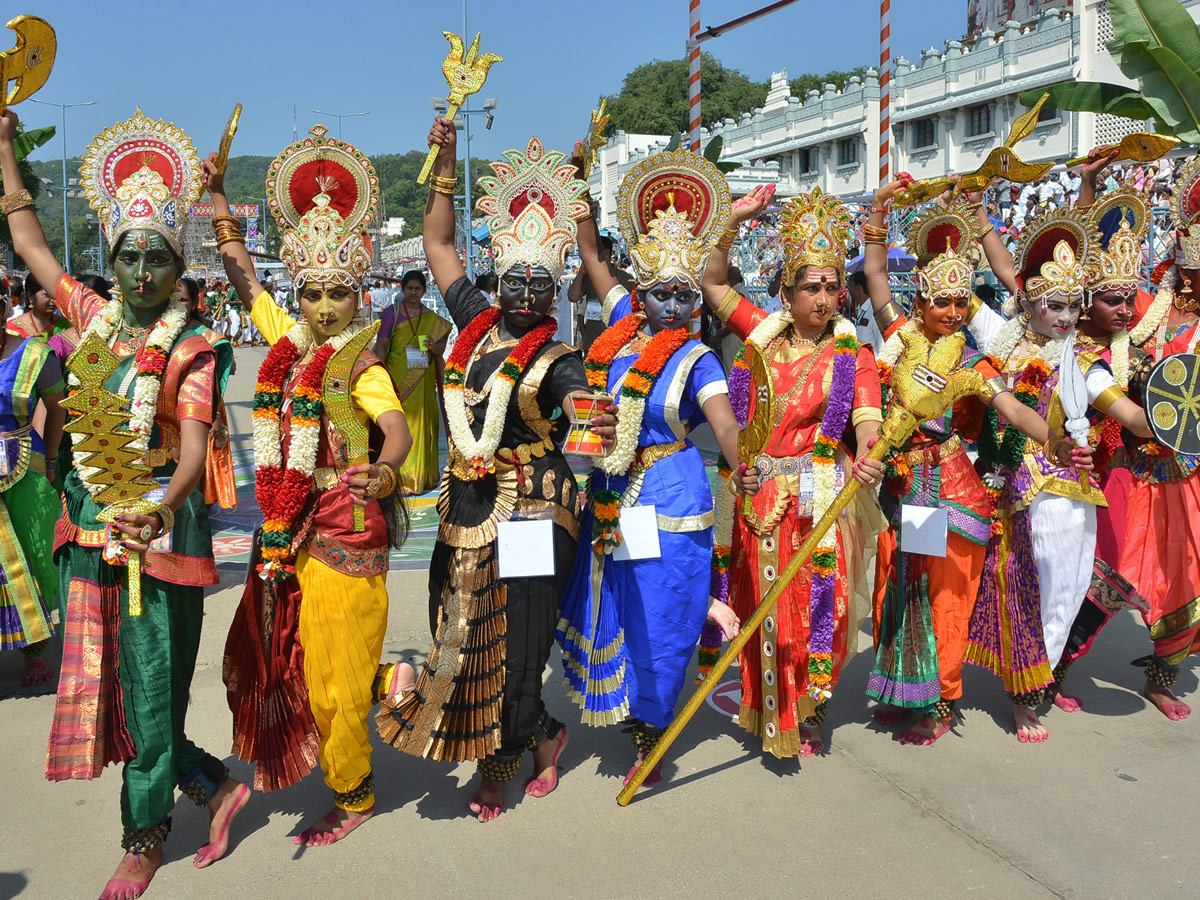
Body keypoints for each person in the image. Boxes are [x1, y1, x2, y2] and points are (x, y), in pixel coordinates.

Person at [0, 107, 246, 900]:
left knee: (147, 688)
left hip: (158, 538)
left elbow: (197, 451)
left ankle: (142, 841)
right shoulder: (90, 317)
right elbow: (33, 245)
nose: (142, 273)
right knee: (108, 684)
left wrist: (159, 509)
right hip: (87, 530)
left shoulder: (191, 348)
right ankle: (209, 781)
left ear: (179, 269)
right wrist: (5, 152)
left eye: (158, 259)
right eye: (129, 257)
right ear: (112, 261)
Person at [376, 119, 613, 823]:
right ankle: (543, 733)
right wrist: (444, 160)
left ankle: (500, 764)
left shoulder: (559, 353)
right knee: (461, 630)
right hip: (471, 502)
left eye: (542, 283)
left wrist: (586, 410)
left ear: (555, 290)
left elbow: (575, 391)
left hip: (539, 510)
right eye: (518, 279)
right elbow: (439, 243)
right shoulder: (474, 322)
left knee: (516, 647)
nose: (529, 293)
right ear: (499, 278)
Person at [213, 126, 412, 846]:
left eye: (338, 293)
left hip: (349, 529)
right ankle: (389, 681)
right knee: (298, 663)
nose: (326, 307)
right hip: (289, 530)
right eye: (313, 293)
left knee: (335, 682)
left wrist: (385, 468)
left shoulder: (361, 364)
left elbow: (395, 426)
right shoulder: (289, 348)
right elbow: (245, 282)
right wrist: (217, 204)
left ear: (359, 294)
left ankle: (354, 794)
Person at [862, 182, 1089, 746]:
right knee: (903, 589)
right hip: (905, 487)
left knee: (945, 597)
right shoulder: (899, 339)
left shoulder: (972, 358)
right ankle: (903, 690)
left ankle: (941, 701)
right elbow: (873, 278)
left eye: (962, 301)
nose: (955, 311)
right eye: (943, 301)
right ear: (920, 304)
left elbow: (1010, 407)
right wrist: (878, 214)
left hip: (949, 492)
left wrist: (1054, 440)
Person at [558, 148, 748, 786]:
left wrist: (742, 460)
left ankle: (654, 726)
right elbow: (591, 257)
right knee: (616, 602)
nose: (672, 305)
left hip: (669, 491)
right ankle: (625, 702)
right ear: (641, 291)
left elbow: (723, 422)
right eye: (661, 293)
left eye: (683, 295)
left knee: (663, 612)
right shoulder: (619, 326)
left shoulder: (699, 359)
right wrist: (581, 190)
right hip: (611, 487)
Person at [698, 183, 885, 759]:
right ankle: (770, 705)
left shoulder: (854, 353)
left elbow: (867, 419)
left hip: (825, 491)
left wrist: (872, 455)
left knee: (818, 605)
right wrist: (733, 220)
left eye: (832, 286)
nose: (824, 298)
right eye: (811, 287)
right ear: (787, 291)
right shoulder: (762, 335)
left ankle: (811, 710)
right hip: (763, 491)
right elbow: (712, 284)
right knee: (766, 602)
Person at [951, 203, 1151, 742]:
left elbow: (1116, 405)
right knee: (1007, 586)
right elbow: (959, 302)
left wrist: (1156, 422)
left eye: (1070, 307)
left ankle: (1032, 687)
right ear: (1030, 304)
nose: (1063, 318)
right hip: (1001, 483)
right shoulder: (1002, 336)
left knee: (1061, 590)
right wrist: (969, 227)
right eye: (1053, 307)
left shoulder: (1082, 357)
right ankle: (1003, 690)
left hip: (1063, 492)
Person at [1114, 156, 1200, 719]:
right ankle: (1051, 671)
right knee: (1109, 575)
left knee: (1188, 575)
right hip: (1128, 464)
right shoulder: (1143, 310)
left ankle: (1162, 677)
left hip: (1188, 473)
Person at [0, 287, 64, 688]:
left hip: (27, 467)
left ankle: (35, 650)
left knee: (36, 557)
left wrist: (53, 459)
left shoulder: (37, 355)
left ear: (3, 307)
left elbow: (58, 410)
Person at [374, 268, 451, 494]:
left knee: (422, 425)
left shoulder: (432, 319)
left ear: (424, 290)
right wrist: (377, 372)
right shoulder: (392, 313)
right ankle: (399, 478)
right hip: (397, 378)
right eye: (410, 288)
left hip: (423, 381)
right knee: (400, 425)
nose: (414, 292)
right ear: (403, 289)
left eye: (418, 288)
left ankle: (421, 479)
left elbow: (441, 349)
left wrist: (434, 347)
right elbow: (382, 345)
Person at [6, 270, 68, 341]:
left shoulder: (65, 325)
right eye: (47, 295)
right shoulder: (14, 329)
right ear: (30, 296)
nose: (53, 300)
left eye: (56, 295)